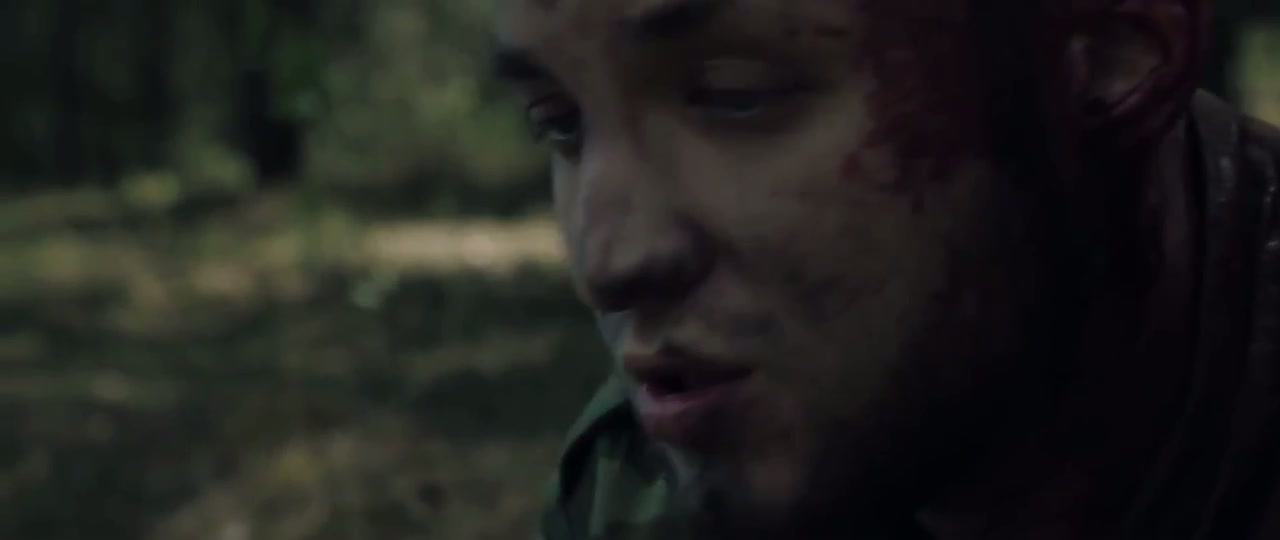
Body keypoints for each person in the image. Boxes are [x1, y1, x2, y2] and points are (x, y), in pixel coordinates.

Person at [492, 0, 1280, 538]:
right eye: (559, 122)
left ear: (1108, 55)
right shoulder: (654, 468)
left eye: (735, 96)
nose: (608, 263)